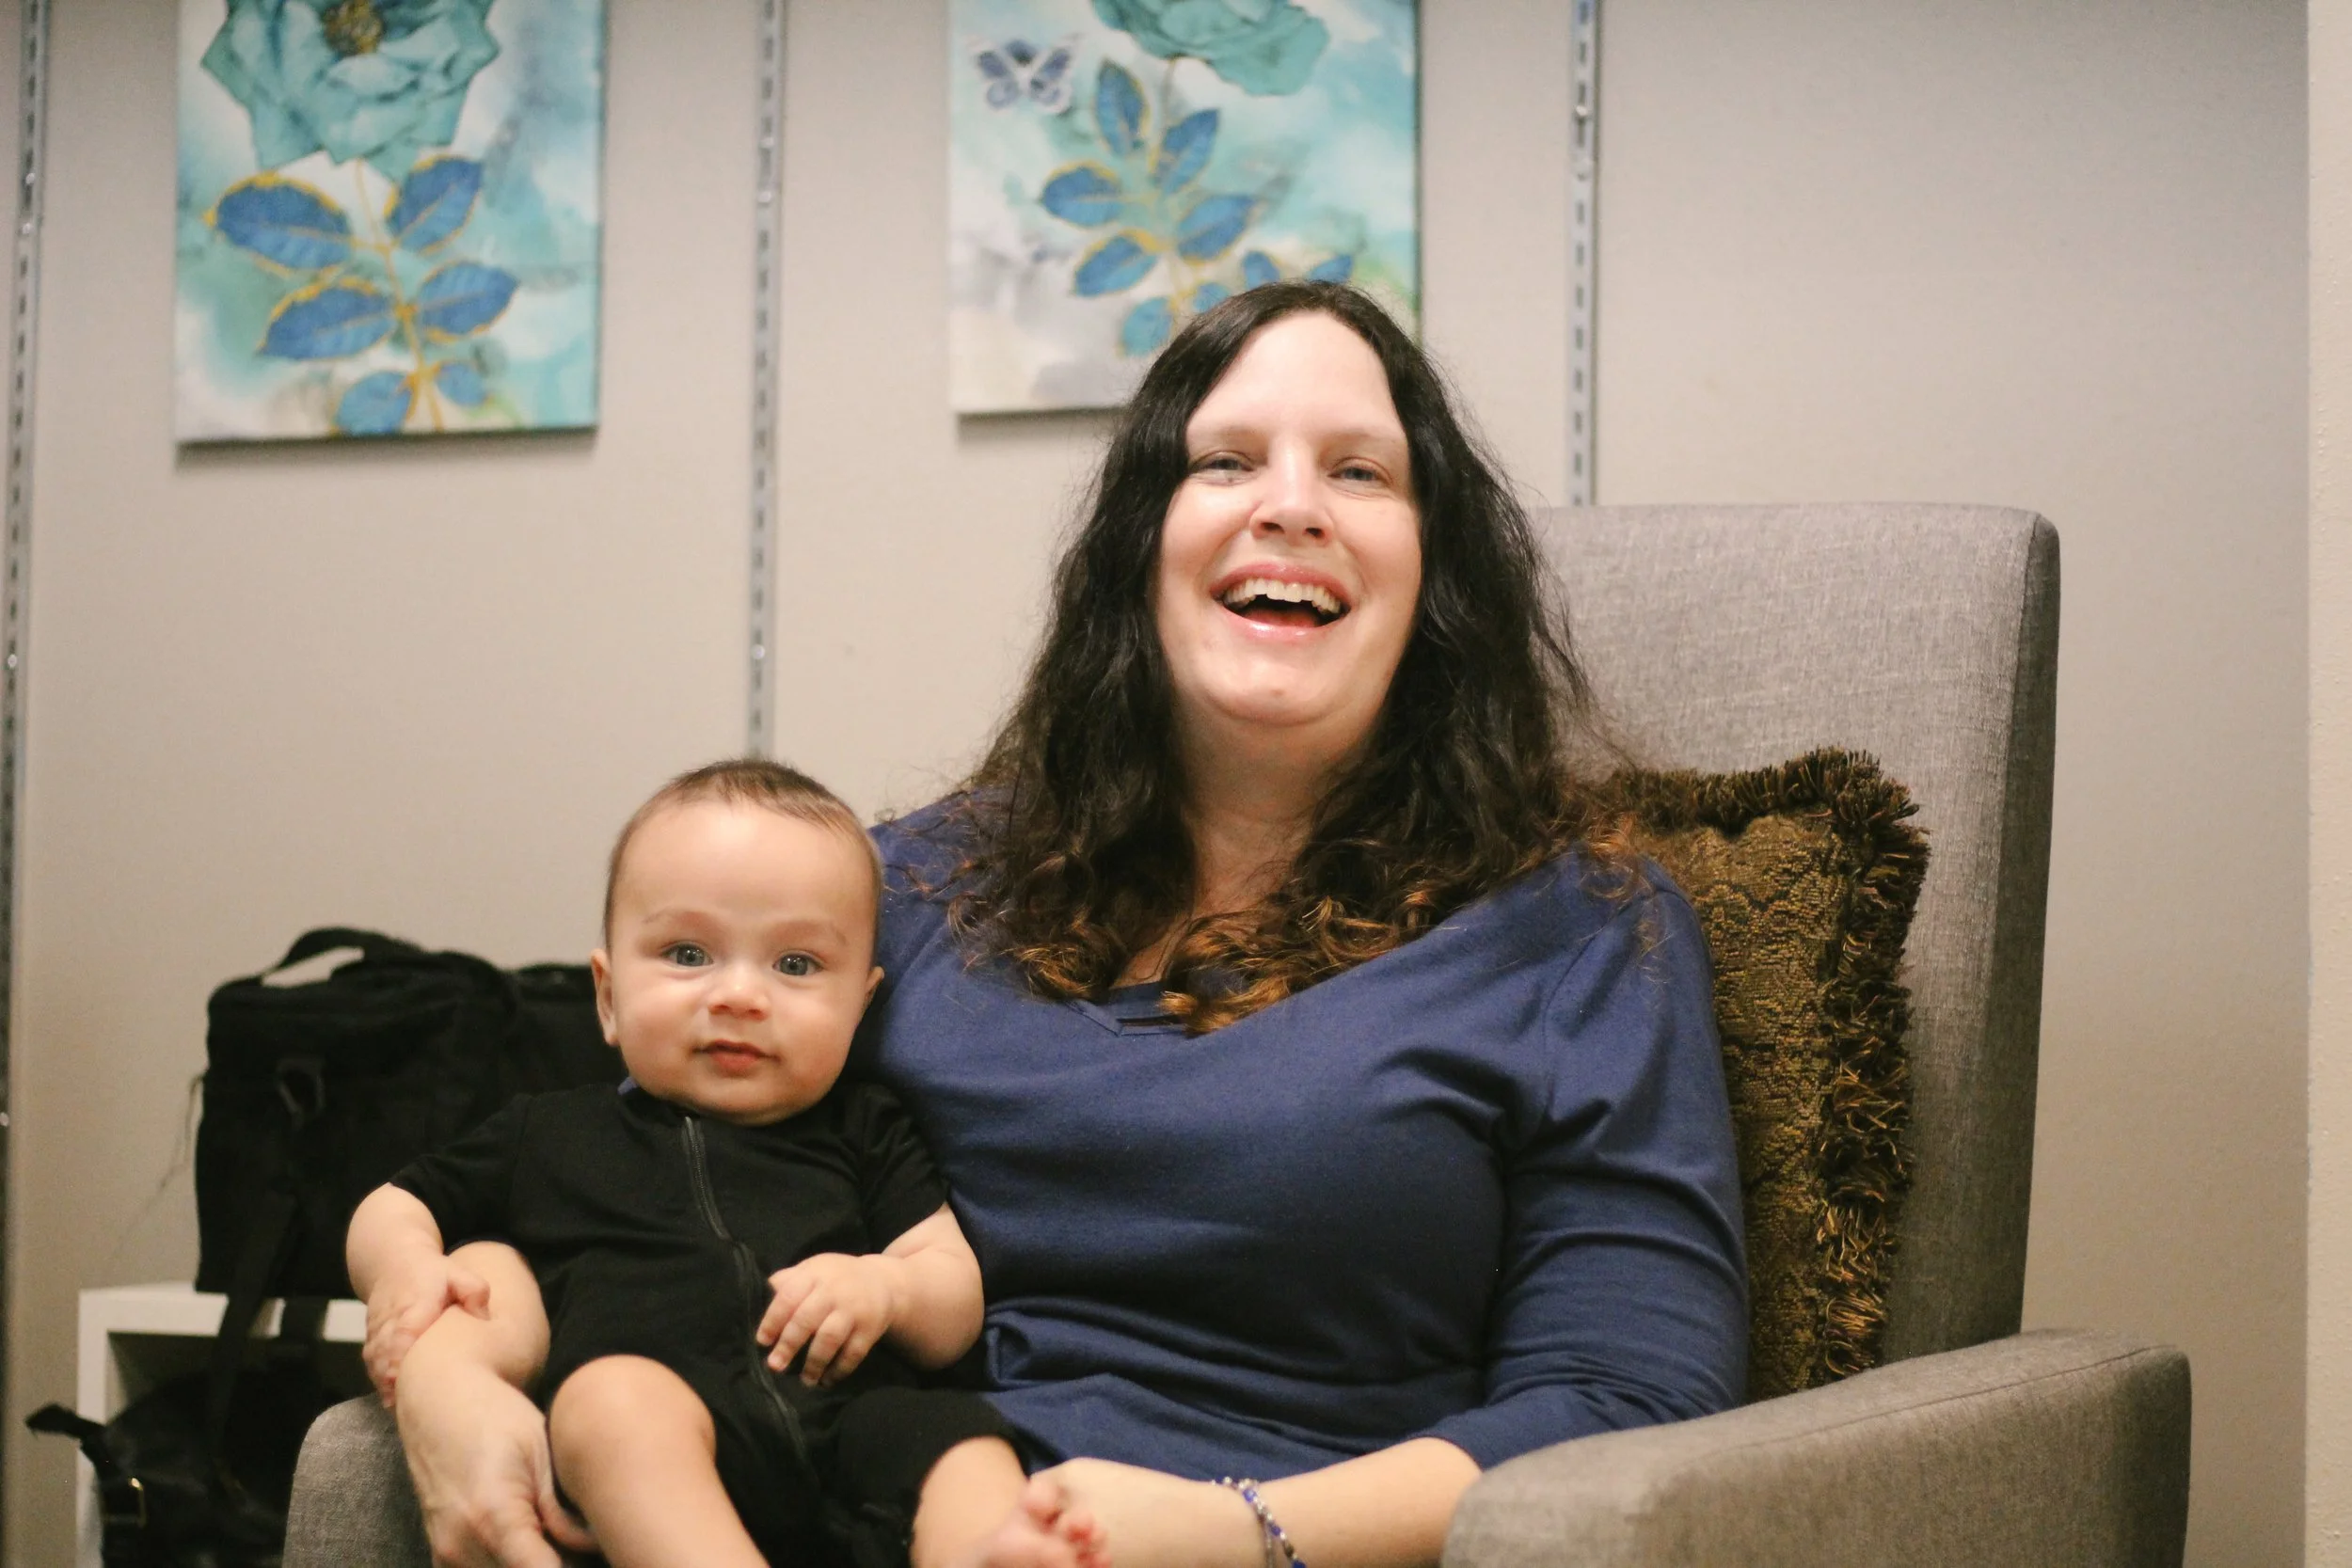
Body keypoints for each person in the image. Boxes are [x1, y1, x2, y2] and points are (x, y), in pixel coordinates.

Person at [382, 280, 1748, 1568]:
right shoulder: (905, 891)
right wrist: (440, 1374)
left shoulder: (1580, 931)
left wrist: (1237, 1529)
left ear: (1435, 571)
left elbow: (1629, 1399)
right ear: (1137, 549)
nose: (1291, 507)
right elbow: (626, 1176)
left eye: (1360, 470)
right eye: (1225, 462)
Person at [347, 760, 1105, 1568]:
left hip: (852, 1414)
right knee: (607, 1405)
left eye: (796, 965)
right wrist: (403, 1272)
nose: (741, 994)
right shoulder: (548, 1131)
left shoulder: (866, 1128)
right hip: (664, 1430)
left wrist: (885, 1287)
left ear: (862, 1004)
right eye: (686, 952)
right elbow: (394, 1203)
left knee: (966, 1444)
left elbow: (952, 1290)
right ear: (606, 995)